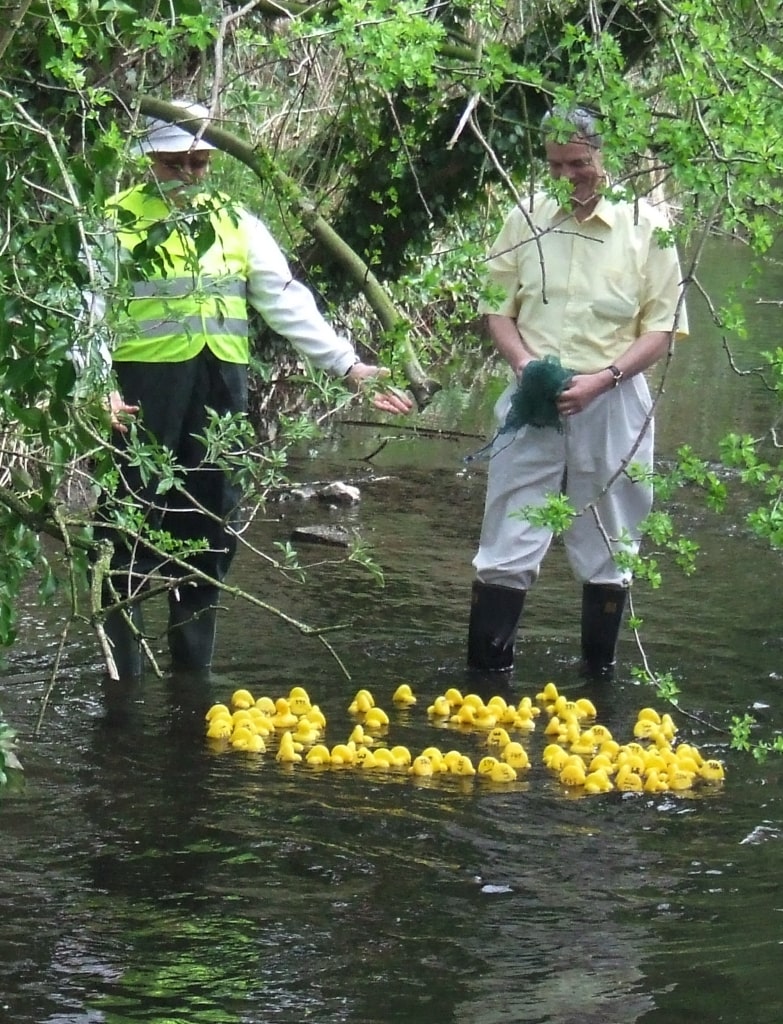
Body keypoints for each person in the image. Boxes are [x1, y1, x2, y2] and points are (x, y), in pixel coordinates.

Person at [96, 100, 412, 678]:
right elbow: (84, 314)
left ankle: (193, 678)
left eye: (200, 163)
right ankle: (123, 681)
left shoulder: (236, 221)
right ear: (151, 161)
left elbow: (286, 300)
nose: (191, 175)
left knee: (212, 524)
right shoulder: (113, 219)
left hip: (219, 394)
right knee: (127, 526)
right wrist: (97, 390)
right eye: (178, 163)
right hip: (141, 397)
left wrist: (348, 366)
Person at [467, 105, 688, 679]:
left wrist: (602, 380)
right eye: (556, 164)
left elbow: (662, 329)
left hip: (614, 398)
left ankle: (600, 680)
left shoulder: (648, 226)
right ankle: (485, 682)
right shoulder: (527, 216)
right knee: (508, 536)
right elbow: (498, 308)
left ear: (603, 156)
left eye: (579, 163)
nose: (567, 176)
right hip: (531, 401)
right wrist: (523, 365)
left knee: (610, 543)